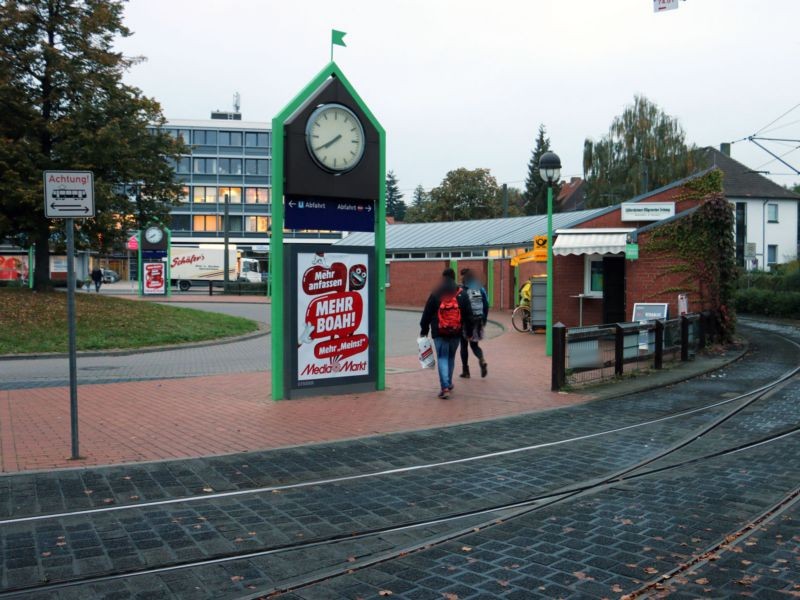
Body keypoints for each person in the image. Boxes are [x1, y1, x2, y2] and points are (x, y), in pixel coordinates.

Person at [420, 268, 471, 399]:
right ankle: (448, 383)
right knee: (450, 358)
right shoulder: (461, 293)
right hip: (456, 331)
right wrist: (469, 331)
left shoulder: (436, 293)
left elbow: (427, 313)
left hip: (439, 332)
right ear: (454, 278)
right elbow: (468, 314)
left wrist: (424, 329)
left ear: (443, 278)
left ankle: (445, 387)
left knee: (442, 357)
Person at [458, 268, 488, 378]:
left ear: (464, 278)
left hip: (466, 322)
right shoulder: (480, 288)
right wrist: (484, 319)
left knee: (464, 346)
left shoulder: (462, 289)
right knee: (475, 345)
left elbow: (460, 306)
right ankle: (482, 359)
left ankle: (466, 371)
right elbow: (486, 303)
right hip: (479, 319)